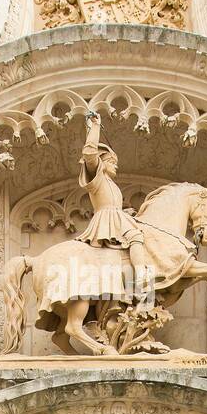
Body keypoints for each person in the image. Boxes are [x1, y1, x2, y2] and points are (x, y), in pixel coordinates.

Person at [76, 111, 152, 303]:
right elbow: (89, 154)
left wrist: (126, 213)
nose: (116, 167)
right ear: (103, 163)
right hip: (105, 219)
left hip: (116, 217)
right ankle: (142, 277)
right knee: (136, 236)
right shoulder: (98, 178)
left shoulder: (112, 185)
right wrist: (94, 128)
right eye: (112, 163)